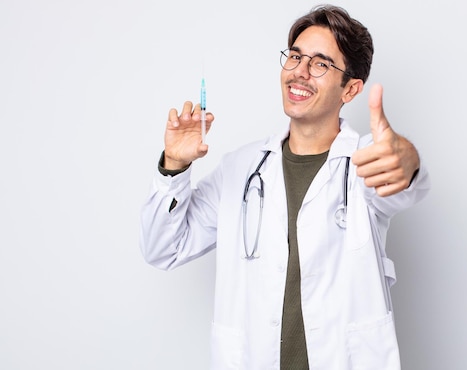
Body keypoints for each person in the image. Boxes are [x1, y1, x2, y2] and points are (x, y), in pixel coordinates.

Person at [140, 4, 430, 369]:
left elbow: (403, 185)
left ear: (351, 89)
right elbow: (162, 249)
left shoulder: (364, 161)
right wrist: (174, 166)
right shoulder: (240, 170)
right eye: (295, 57)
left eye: (321, 64)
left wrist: (407, 160)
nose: (300, 73)